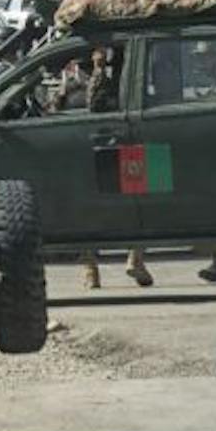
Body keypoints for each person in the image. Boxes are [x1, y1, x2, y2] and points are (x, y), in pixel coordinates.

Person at [74, 46, 153, 290]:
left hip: (105, 138)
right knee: (138, 201)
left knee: (137, 200)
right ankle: (115, 264)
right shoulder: (117, 65)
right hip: (118, 136)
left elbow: (94, 101)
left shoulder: (118, 64)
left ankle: (105, 266)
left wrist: (98, 69)